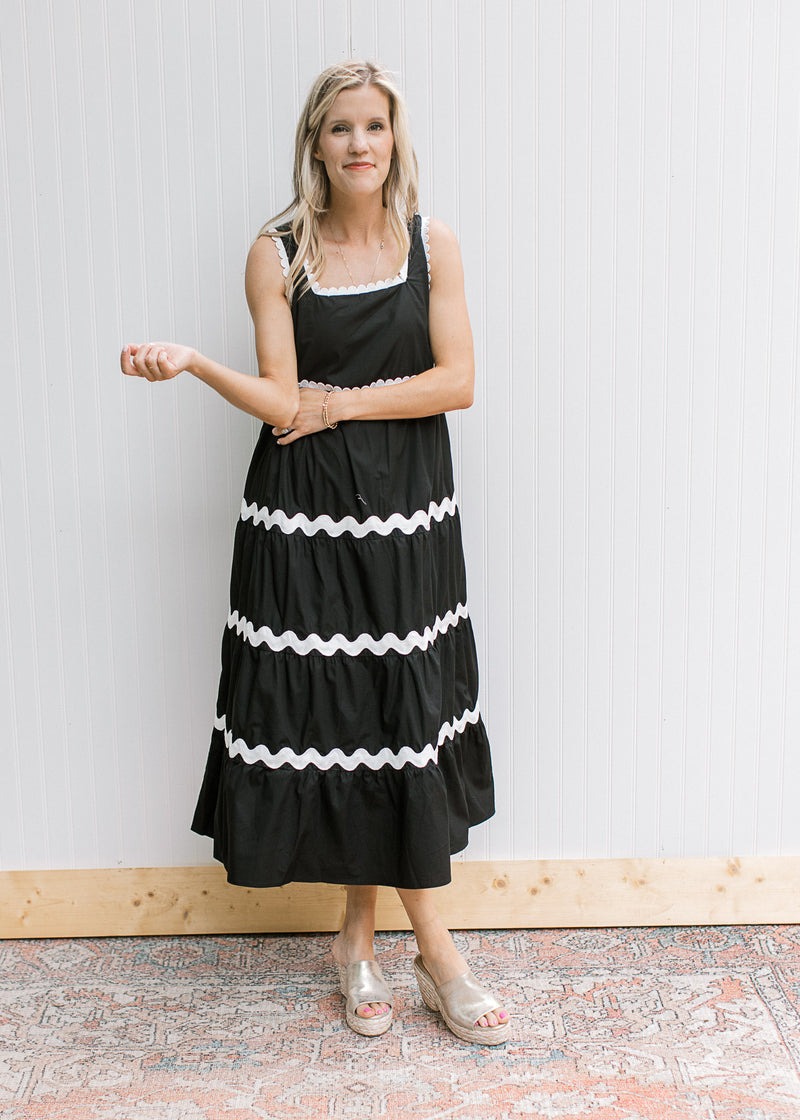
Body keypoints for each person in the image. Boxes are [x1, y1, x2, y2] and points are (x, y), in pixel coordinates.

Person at [121, 59, 510, 1045]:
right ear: (315, 142)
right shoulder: (277, 252)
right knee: (349, 719)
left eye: (373, 126)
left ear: (394, 138)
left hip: (409, 518)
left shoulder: (434, 245)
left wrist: (349, 403)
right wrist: (200, 364)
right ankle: (434, 950)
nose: (359, 144)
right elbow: (286, 402)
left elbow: (455, 381)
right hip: (302, 522)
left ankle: (360, 938)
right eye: (340, 128)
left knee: (399, 719)